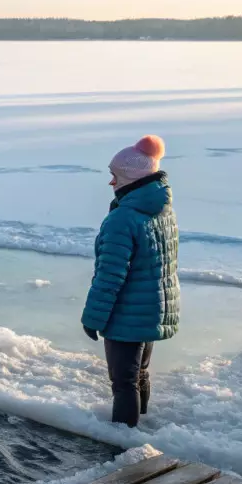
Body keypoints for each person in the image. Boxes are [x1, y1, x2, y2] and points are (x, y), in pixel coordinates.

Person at [81, 135, 181, 428]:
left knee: (124, 382)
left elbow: (111, 275)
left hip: (128, 312)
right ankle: (142, 425)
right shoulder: (162, 210)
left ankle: (124, 446)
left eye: (116, 176)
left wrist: (93, 318)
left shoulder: (123, 219)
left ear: (130, 176)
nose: (112, 183)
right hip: (153, 306)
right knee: (140, 374)